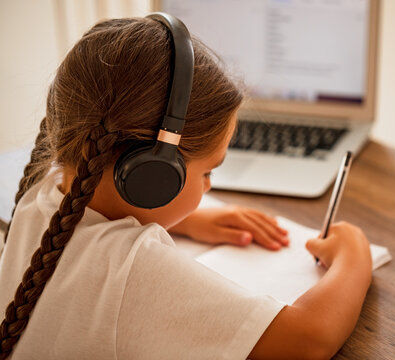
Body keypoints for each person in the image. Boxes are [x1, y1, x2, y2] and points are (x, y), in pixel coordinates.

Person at [0, 15, 372, 360]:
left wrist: (187, 221)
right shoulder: (134, 269)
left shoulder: (42, 191)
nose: (208, 188)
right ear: (152, 177)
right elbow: (308, 339)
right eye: (208, 173)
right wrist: (354, 257)